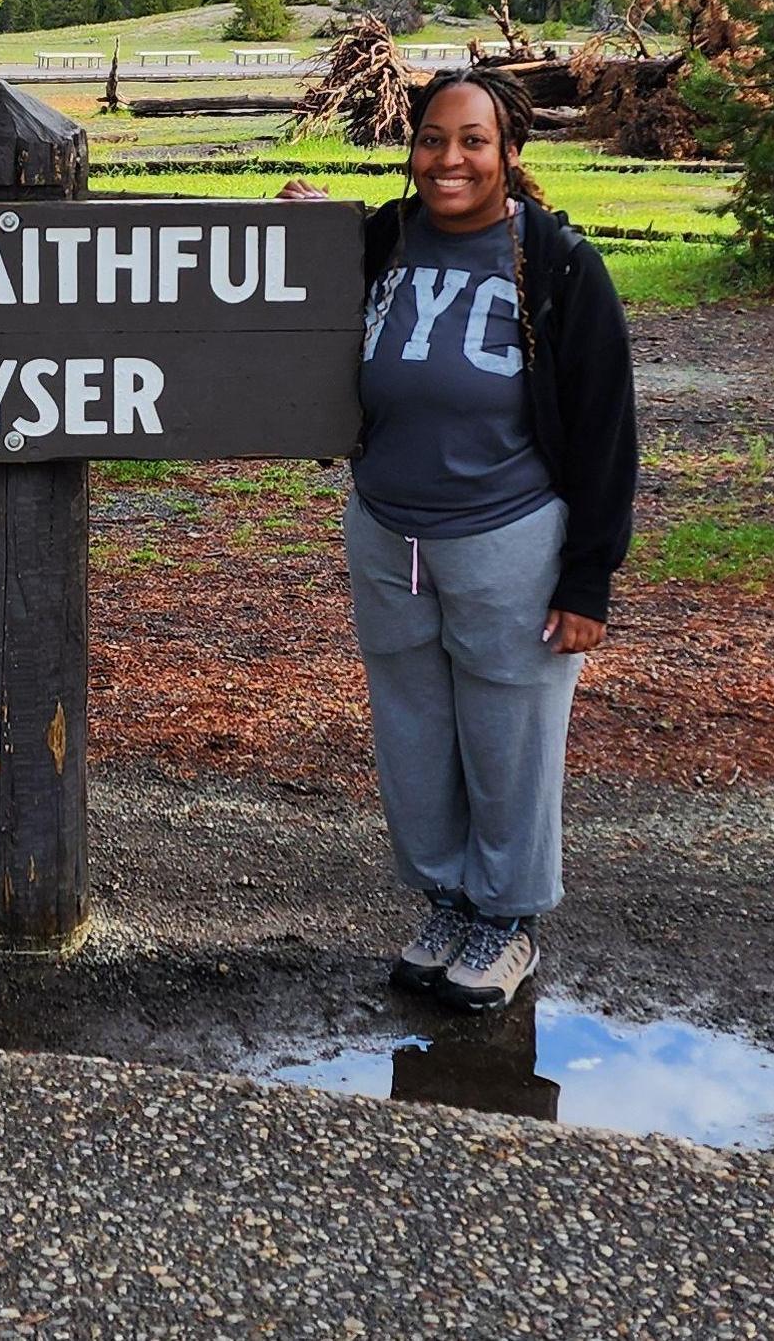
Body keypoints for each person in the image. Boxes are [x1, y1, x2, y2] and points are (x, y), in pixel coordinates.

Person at [280, 67, 636, 1012]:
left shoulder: (557, 263)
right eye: (434, 139)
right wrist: (306, 220)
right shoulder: (389, 240)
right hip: (388, 533)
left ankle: (507, 920)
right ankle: (445, 900)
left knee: (508, 733)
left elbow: (606, 428)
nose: (450, 159)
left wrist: (588, 579)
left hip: (508, 537)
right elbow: (305, 283)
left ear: (508, 153)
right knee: (414, 732)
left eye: (473, 141)